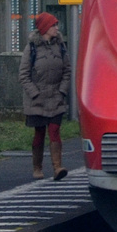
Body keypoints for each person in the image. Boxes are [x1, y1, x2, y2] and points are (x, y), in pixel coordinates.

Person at [19, 12, 73, 180]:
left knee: (55, 131)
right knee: (40, 133)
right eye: (53, 25)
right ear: (45, 28)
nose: (57, 28)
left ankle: (58, 167)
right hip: (37, 99)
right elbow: (23, 75)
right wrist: (35, 93)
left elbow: (67, 70)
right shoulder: (32, 48)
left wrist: (62, 91)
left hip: (56, 98)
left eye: (56, 25)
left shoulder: (60, 46)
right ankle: (37, 168)